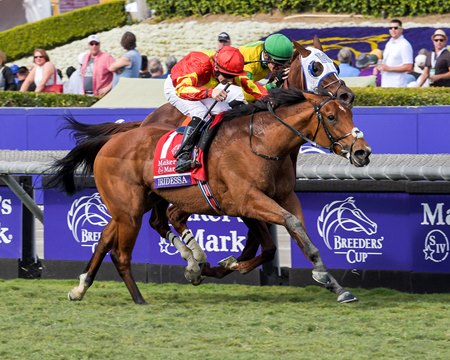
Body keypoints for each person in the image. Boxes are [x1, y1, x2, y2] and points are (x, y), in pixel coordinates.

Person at [164, 46, 265, 172]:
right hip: (177, 87)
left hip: (203, 87)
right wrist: (210, 93)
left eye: (233, 76)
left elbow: (252, 88)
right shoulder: (199, 63)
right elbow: (182, 90)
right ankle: (183, 155)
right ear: (216, 68)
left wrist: (272, 99)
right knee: (201, 113)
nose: (230, 80)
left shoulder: (229, 69)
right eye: (227, 76)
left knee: (224, 111)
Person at [238, 33, 294, 102]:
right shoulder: (249, 61)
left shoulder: (270, 51)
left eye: (284, 62)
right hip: (230, 84)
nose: (281, 67)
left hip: (251, 81)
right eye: (277, 62)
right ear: (265, 55)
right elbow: (249, 96)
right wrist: (274, 84)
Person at [375, 19, 413, 87]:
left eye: (396, 28)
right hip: (385, 83)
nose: (393, 30)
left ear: (401, 29)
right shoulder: (389, 44)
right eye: (390, 28)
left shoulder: (405, 45)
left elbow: (409, 67)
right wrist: (379, 67)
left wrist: (389, 68)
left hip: (397, 84)